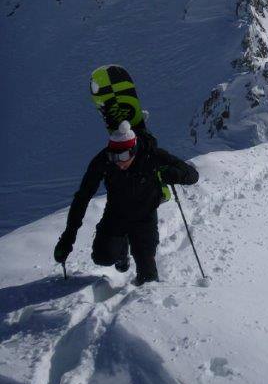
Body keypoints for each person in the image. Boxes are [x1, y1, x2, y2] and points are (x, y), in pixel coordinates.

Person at [53, 120, 199, 285]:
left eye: (123, 156)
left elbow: (193, 175)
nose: (118, 162)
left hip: (145, 217)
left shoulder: (152, 155)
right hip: (116, 214)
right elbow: (82, 197)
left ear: (134, 150)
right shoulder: (103, 160)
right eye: (113, 156)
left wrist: (170, 174)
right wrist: (67, 238)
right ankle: (122, 251)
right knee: (102, 257)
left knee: (148, 279)